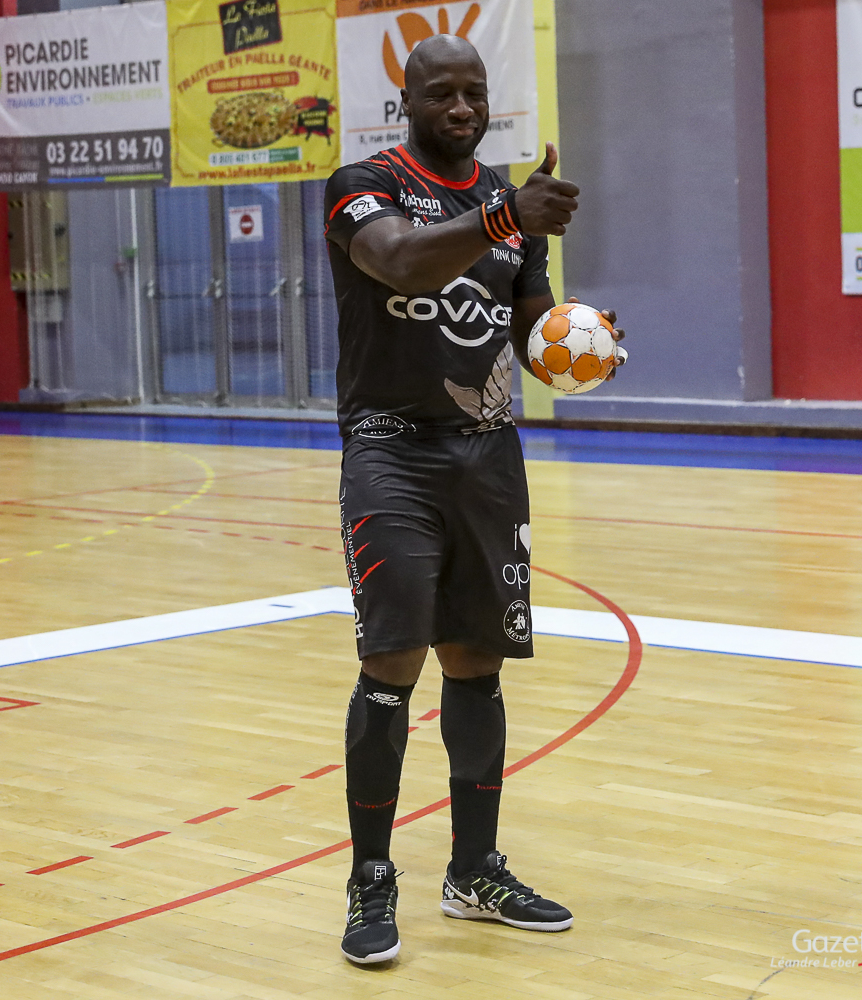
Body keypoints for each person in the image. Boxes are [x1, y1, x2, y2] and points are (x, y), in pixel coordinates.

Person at [322, 34, 626, 964]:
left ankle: (474, 871)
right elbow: (402, 263)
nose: (462, 108)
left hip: (487, 455)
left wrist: (582, 340)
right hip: (391, 453)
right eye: (442, 93)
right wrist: (503, 218)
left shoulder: (506, 202)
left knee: (475, 660)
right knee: (392, 658)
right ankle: (371, 879)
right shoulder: (361, 185)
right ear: (406, 102)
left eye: (475, 93)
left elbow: (528, 327)